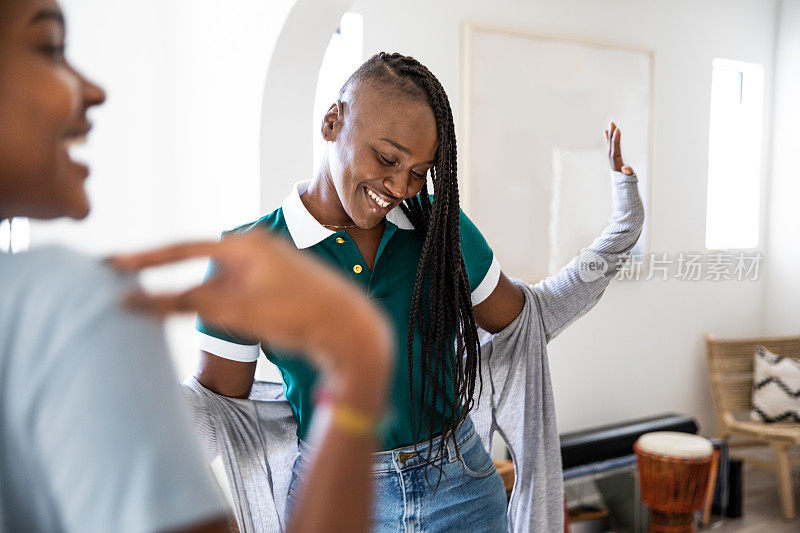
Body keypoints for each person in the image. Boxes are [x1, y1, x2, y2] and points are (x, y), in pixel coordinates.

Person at [192, 51, 638, 531]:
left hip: (461, 492)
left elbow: (530, 318)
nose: (401, 186)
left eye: (420, 170)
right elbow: (218, 416)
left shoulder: (438, 228)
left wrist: (622, 229)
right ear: (331, 122)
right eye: (387, 158)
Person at [0, 1, 393, 531]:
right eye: (49, 49)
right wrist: (360, 361)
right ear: (333, 123)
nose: (93, 91)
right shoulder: (67, 303)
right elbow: (219, 398)